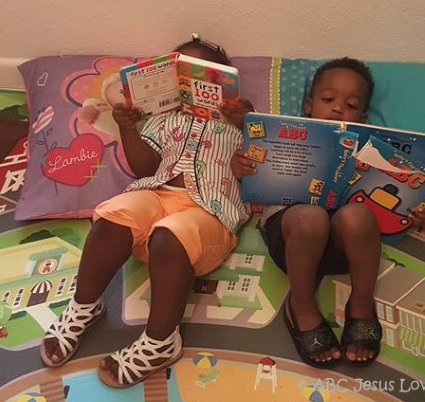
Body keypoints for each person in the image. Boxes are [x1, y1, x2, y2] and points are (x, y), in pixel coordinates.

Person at [39, 36, 254, 388]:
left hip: (209, 213)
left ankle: (161, 341)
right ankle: (85, 306)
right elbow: (143, 170)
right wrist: (128, 128)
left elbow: (266, 157)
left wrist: (246, 122)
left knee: (170, 234)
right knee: (114, 213)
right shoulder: (162, 119)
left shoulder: (239, 121)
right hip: (156, 195)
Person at [231, 57, 425, 368]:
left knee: (357, 215)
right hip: (293, 240)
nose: (337, 108)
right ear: (308, 105)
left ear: (364, 115)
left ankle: (361, 302)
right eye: (327, 99)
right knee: (311, 217)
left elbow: (407, 201)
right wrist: (242, 168)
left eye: (351, 104)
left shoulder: (371, 149)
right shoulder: (281, 134)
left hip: (349, 249)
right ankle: (301, 305)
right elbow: (252, 175)